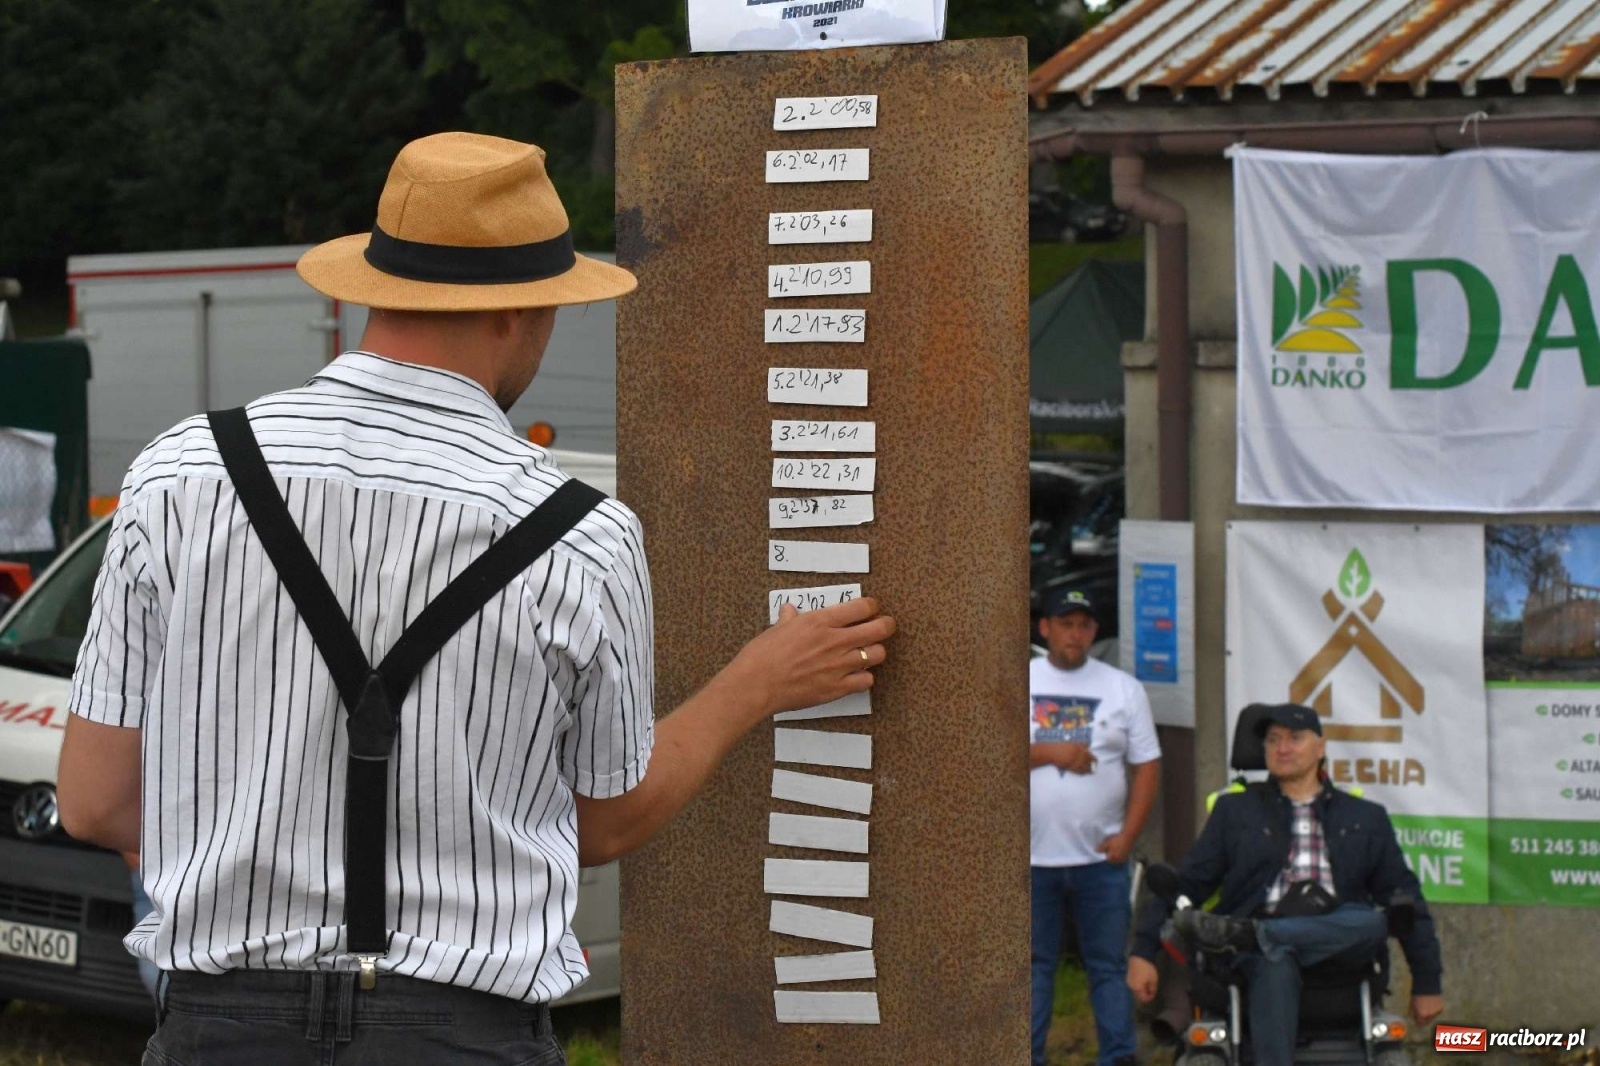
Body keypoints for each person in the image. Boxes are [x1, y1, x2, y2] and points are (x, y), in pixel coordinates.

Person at [55, 131, 895, 1064]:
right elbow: (606, 819)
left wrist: (247, 836)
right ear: (522, 311)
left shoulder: (182, 473)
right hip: (460, 1035)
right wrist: (755, 683)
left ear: (373, 289)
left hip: (221, 1027)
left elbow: (94, 803)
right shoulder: (581, 532)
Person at [1126, 704, 1446, 1066]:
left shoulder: (1365, 818)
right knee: (1274, 957)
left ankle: (1255, 934)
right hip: (1260, 958)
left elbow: (1407, 899)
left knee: (1373, 922)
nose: (1282, 747)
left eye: (1295, 738)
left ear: (1321, 748)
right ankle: (1263, 936)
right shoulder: (1235, 812)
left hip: (1338, 945)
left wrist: (1427, 983)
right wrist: (1143, 951)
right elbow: (1187, 883)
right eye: (1273, 740)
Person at [1030, 587, 1162, 1066]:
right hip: (1029, 859)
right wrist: (1051, 751)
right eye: (1065, 622)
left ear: (1094, 631)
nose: (1075, 632)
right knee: (1033, 969)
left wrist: (1128, 837)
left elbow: (1147, 764)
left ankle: (1119, 1058)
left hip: (1099, 859)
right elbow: (986, 758)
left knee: (1108, 967)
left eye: (1084, 624)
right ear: (1045, 627)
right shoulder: (1019, 679)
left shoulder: (1122, 687)